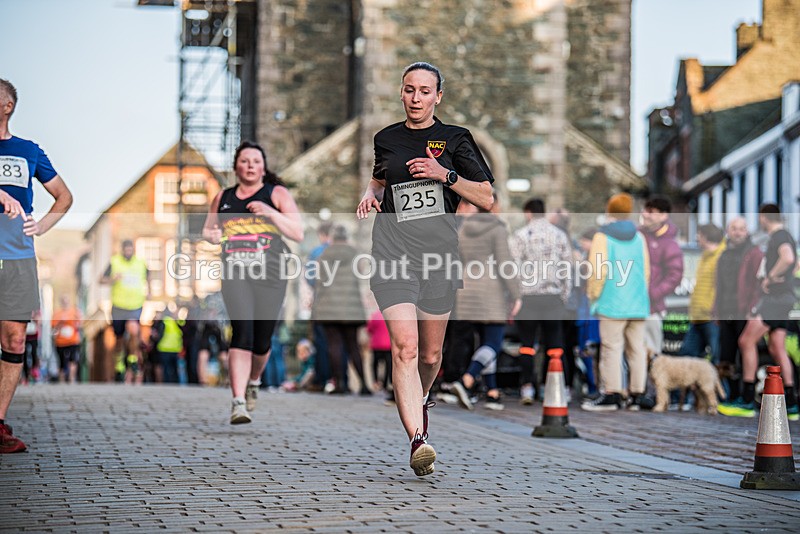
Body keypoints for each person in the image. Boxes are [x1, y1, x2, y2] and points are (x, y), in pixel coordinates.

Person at [356, 62, 494, 476]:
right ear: (401, 93)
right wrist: (370, 194)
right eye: (409, 90)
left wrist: (444, 173)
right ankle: (418, 438)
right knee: (406, 348)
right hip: (392, 252)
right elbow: (382, 178)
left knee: (431, 355)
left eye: (424, 91)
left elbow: (486, 197)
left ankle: (423, 394)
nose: (416, 98)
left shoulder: (456, 139)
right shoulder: (386, 139)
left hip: (437, 258)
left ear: (438, 96)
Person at [202, 140, 303, 424]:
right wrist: (211, 235)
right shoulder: (223, 197)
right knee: (241, 332)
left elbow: (297, 232)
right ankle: (237, 402)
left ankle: (254, 381)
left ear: (263, 167)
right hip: (236, 275)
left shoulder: (276, 193)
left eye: (256, 161)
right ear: (236, 166)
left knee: (261, 341)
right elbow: (209, 229)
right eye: (245, 161)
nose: (250, 166)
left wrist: (269, 212)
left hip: (271, 276)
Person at [1, 78, 73, 453]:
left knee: (14, 339)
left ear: (7, 106)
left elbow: (64, 196)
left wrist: (42, 224)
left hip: (17, 257)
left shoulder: (28, 151)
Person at [719, 204, 799, 420]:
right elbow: (795, 261)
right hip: (785, 299)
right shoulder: (787, 235)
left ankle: (746, 400)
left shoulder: (779, 235)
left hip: (774, 299)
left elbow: (789, 258)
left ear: (764, 217)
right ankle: (791, 403)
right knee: (776, 347)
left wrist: (770, 277)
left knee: (746, 341)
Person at [449, 195, 521, 411]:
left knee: (484, 343)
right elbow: (504, 263)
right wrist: (516, 293)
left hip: (467, 289)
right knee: (494, 344)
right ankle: (467, 379)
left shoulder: (463, 227)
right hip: (491, 290)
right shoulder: (497, 227)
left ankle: (492, 392)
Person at [581, 193, 651, 411]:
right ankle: (637, 394)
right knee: (637, 349)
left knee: (611, 348)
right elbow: (646, 271)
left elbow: (598, 271)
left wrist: (593, 294)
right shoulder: (640, 237)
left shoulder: (602, 237)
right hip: (637, 303)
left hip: (612, 301)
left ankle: (612, 393)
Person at [510, 198, 572, 405]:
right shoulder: (559, 235)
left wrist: (515, 297)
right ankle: (552, 388)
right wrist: (564, 295)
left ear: (528, 213)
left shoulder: (520, 236)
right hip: (552, 297)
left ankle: (527, 387)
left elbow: (513, 269)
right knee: (554, 344)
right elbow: (567, 268)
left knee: (527, 344)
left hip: (528, 297)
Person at [312, 225, 369, 395]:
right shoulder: (355, 253)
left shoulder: (324, 255)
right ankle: (364, 384)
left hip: (329, 307)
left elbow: (319, 280)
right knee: (354, 346)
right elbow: (361, 274)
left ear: (332, 237)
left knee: (334, 346)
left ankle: (340, 384)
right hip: (352, 307)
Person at [713, 217, 763, 401]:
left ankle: (746, 396)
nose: (738, 232)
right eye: (734, 228)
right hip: (726, 310)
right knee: (726, 356)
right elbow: (718, 285)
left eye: (741, 229)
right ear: (728, 231)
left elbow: (759, 284)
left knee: (745, 352)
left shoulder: (754, 253)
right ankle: (731, 395)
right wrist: (716, 310)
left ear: (747, 231)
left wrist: (754, 308)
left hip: (745, 311)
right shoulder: (724, 254)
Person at [101, 239, 149, 385]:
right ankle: (119, 365)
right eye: (126, 249)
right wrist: (112, 279)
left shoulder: (141, 263)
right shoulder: (114, 262)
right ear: (122, 249)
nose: (128, 252)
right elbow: (101, 280)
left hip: (135, 305)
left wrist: (150, 291)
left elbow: (149, 277)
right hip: (118, 306)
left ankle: (132, 360)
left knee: (134, 330)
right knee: (119, 339)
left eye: (130, 249)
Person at [639, 196, 683, 355]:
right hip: (631, 306)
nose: (645, 214)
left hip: (652, 308)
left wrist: (653, 294)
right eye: (645, 210)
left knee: (651, 353)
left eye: (651, 212)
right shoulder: (638, 235)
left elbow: (675, 275)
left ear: (664, 216)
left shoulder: (669, 243)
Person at [678, 223, 725, 361]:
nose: (697, 238)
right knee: (687, 356)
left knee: (717, 358)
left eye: (699, 235)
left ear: (705, 236)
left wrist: (715, 309)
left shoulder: (720, 257)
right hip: (698, 316)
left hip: (711, 316)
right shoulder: (705, 256)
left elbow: (720, 287)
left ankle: (721, 383)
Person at [52, 295, 83, 384]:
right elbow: (53, 327)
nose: (65, 303)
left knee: (73, 360)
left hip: (73, 340)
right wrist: (60, 323)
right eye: (63, 301)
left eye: (67, 301)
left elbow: (80, 324)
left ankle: (71, 378)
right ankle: (61, 380)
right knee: (61, 361)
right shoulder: (57, 313)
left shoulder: (75, 312)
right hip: (60, 342)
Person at [367, 308, 393, 402]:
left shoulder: (375, 315)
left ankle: (376, 381)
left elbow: (369, 329)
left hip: (376, 345)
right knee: (388, 365)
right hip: (388, 345)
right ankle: (386, 384)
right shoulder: (392, 314)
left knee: (374, 364)